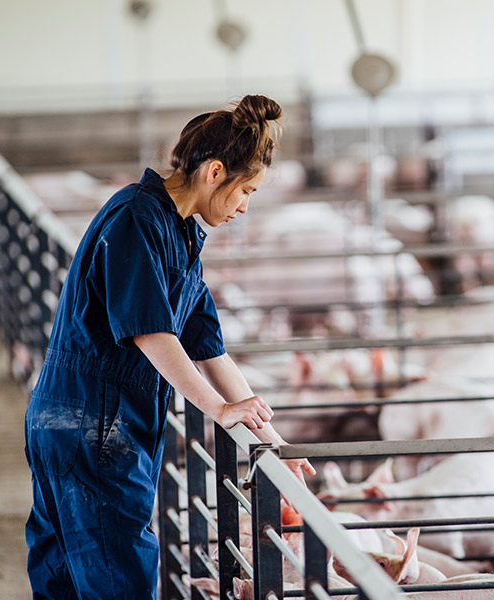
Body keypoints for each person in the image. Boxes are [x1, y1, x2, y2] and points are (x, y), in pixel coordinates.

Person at [24, 94, 314, 598]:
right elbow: (150, 331)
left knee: (70, 573)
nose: (245, 206)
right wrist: (218, 409)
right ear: (215, 172)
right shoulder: (136, 218)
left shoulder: (178, 235)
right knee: (119, 576)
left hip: (85, 420)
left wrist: (274, 441)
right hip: (93, 425)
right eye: (246, 190)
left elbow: (210, 349)